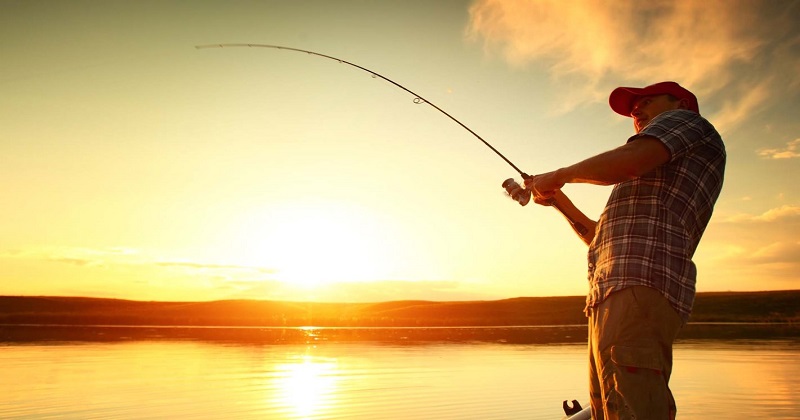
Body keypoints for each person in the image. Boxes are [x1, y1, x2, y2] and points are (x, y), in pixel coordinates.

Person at [526, 81, 726, 419]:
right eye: (634, 109)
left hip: (638, 286)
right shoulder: (653, 172)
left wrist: (558, 176)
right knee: (611, 409)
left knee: (632, 407)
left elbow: (628, 161)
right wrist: (558, 200)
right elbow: (598, 238)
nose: (636, 111)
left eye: (646, 102)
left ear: (681, 103)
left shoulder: (687, 122)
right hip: (615, 293)